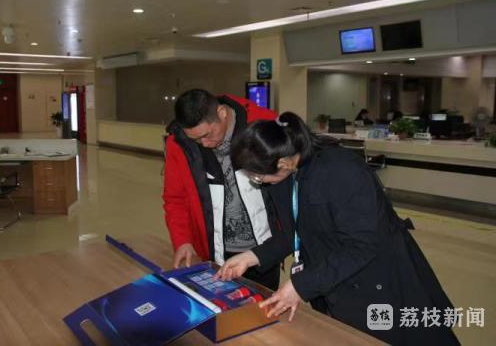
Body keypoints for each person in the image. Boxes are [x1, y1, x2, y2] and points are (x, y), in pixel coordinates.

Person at [216, 112, 460, 345]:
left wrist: (302, 286)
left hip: (380, 282)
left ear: (283, 162)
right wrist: (252, 256)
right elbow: (295, 233)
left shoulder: (342, 170)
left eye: (257, 177)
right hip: (334, 281)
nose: (258, 183)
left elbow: (362, 245)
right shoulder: (283, 178)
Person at [163, 89, 284, 289]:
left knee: (263, 304)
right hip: (216, 255)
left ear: (222, 113)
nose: (204, 144)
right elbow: (175, 198)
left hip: (265, 251)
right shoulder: (179, 143)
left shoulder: (263, 125)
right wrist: (182, 240)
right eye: (196, 140)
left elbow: (288, 186)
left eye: (207, 135)